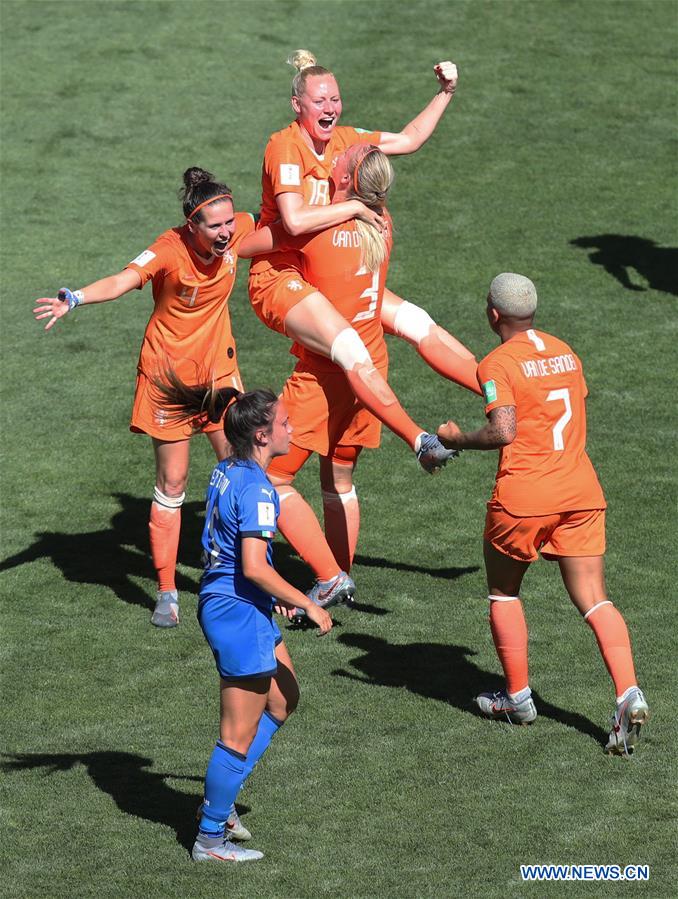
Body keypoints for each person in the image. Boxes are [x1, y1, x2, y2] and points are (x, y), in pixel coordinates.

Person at [239, 144, 460, 610]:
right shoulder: (383, 223)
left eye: (346, 156)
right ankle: (340, 577)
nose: (339, 152)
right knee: (339, 479)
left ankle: (328, 576)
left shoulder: (318, 228)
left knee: (272, 478)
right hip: (373, 364)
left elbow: (245, 246)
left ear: (345, 177)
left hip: (325, 376)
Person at [437, 273, 649, 756]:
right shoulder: (566, 351)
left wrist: (456, 439)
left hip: (524, 498)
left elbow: (504, 430)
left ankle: (517, 698)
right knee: (595, 600)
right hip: (580, 492)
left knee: (504, 591)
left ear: (493, 314)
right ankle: (628, 692)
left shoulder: (496, 362)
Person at [33, 168, 255, 629]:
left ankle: (241, 569)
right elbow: (123, 280)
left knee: (242, 471)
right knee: (173, 483)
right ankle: (168, 591)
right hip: (168, 381)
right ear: (192, 225)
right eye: (214, 226)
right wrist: (75, 298)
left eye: (229, 223)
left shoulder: (238, 231)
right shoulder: (169, 249)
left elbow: (289, 219)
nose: (225, 233)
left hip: (217, 373)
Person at [249, 50, 479, 471]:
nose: (330, 108)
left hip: (324, 271)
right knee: (351, 346)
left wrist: (446, 92)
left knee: (416, 321)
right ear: (297, 105)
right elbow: (294, 222)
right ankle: (419, 439)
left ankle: (498, 389)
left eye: (335, 100)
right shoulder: (285, 147)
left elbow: (408, 140)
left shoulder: (346, 142)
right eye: (320, 101)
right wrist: (353, 208)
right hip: (281, 275)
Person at [153, 378, 333, 862]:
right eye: (285, 423)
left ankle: (221, 800)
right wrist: (308, 602)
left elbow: (240, 557)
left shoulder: (228, 470)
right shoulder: (257, 489)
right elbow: (253, 566)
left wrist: (272, 595)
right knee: (236, 735)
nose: (292, 429)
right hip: (237, 611)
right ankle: (211, 836)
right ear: (261, 435)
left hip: (238, 601)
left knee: (284, 698)